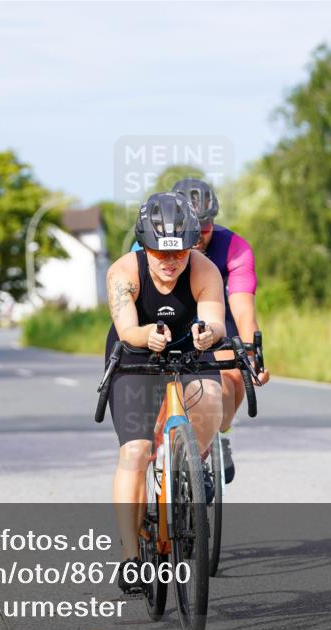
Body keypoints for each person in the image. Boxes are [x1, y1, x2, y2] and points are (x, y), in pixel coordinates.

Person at [105, 192, 226, 595]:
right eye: (160, 253)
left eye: (180, 253)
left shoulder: (204, 270)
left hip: (190, 347)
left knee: (211, 398)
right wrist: (146, 335)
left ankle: (189, 467)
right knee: (135, 451)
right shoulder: (124, 272)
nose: (171, 262)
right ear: (145, 245)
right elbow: (127, 329)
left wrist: (206, 332)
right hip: (136, 350)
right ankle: (129, 558)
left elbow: (215, 320)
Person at [132, 178, 271, 484]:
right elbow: (132, 307)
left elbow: (243, 308)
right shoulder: (147, 243)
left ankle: (217, 435)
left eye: (206, 225)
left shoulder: (234, 248)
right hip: (165, 318)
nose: (200, 234)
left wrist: (252, 355)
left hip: (215, 318)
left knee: (233, 376)